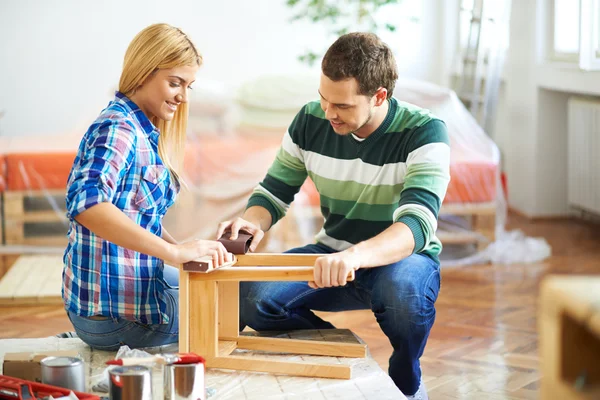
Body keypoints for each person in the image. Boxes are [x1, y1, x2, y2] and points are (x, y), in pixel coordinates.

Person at [217, 32, 450, 399]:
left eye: (341, 105)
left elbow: (416, 226)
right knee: (250, 297)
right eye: (324, 99)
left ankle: (407, 381)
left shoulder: (424, 131)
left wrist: (354, 256)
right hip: (331, 254)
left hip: (402, 260)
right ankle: (351, 356)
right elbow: (273, 192)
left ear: (378, 97)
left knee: (404, 294)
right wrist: (252, 221)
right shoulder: (311, 120)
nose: (328, 113)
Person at [62, 23, 232, 351]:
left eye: (189, 86)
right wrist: (173, 253)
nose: (183, 97)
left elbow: (138, 216)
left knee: (213, 287)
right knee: (225, 312)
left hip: (105, 308)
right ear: (143, 73)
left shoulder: (141, 131)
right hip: (111, 319)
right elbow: (87, 203)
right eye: (174, 83)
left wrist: (181, 247)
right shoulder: (119, 130)